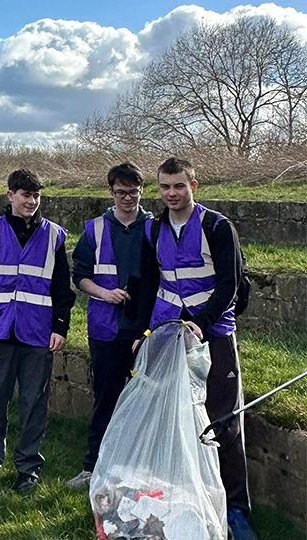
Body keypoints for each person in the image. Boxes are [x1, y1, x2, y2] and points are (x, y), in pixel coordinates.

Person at [140, 157, 256, 540]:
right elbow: (150, 279)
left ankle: (235, 508)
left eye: (179, 186)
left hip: (213, 333)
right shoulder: (154, 227)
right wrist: (144, 331)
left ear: (194, 186)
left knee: (223, 420)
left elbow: (231, 284)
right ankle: (181, 499)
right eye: (164, 187)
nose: (171, 194)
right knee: (171, 418)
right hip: (168, 332)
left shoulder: (217, 227)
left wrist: (203, 324)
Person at [0, 168, 74, 494]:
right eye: (25, 194)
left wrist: (60, 326)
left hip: (39, 333)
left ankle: (28, 468)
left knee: (34, 403)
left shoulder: (55, 235)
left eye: (36, 195)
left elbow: (61, 289)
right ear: (10, 195)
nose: (31, 201)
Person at [65, 162, 152, 489]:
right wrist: (104, 293)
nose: (127, 198)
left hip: (144, 327)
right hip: (106, 327)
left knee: (143, 401)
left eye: (133, 192)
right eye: (120, 192)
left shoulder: (153, 228)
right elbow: (79, 276)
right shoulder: (95, 229)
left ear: (141, 191)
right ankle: (93, 466)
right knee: (105, 398)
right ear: (110, 192)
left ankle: (139, 469)